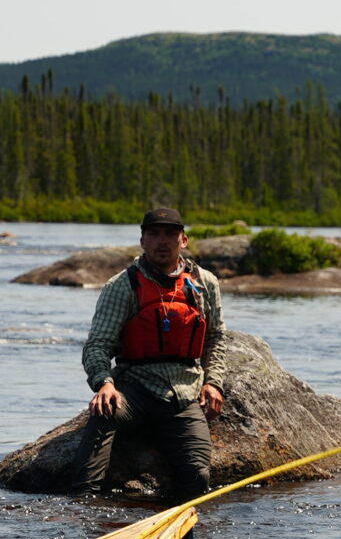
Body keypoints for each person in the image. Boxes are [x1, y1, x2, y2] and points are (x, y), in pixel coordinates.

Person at [73, 206, 231, 502]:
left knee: (197, 476)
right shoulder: (122, 286)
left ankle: (181, 527)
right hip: (134, 389)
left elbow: (216, 338)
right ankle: (84, 503)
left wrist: (214, 382)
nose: (162, 241)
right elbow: (97, 345)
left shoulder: (205, 283)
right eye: (154, 234)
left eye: (170, 234)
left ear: (183, 240)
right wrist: (104, 383)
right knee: (104, 412)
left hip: (184, 394)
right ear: (142, 240)